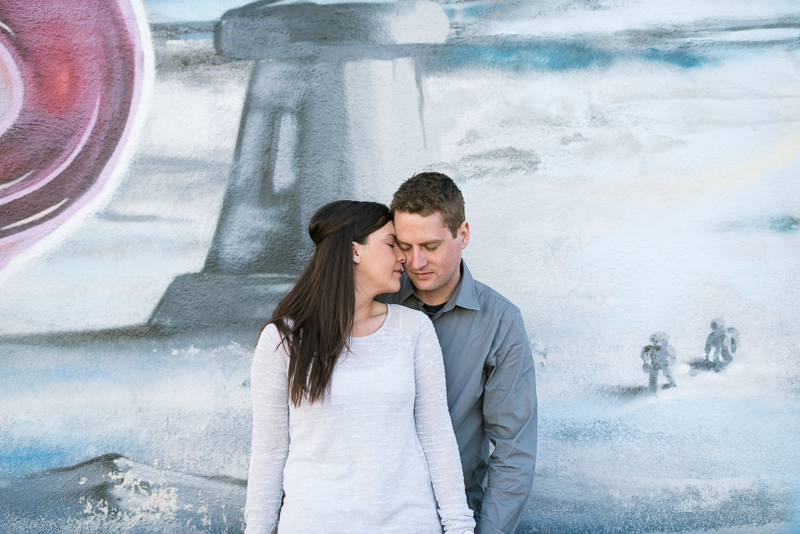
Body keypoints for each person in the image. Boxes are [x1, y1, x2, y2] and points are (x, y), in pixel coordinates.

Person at [244, 200, 475, 534]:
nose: (403, 257)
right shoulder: (283, 340)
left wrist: (460, 528)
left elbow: (436, 436)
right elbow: (269, 453)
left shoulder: (414, 329)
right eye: (392, 244)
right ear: (354, 251)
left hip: (408, 524)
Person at [378, 172, 538, 534]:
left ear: (462, 234)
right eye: (404, 246)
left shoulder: (501, 321)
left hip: (453, 519)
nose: (416, 262)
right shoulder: (374, 301)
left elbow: (513, 449)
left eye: (431, 246)